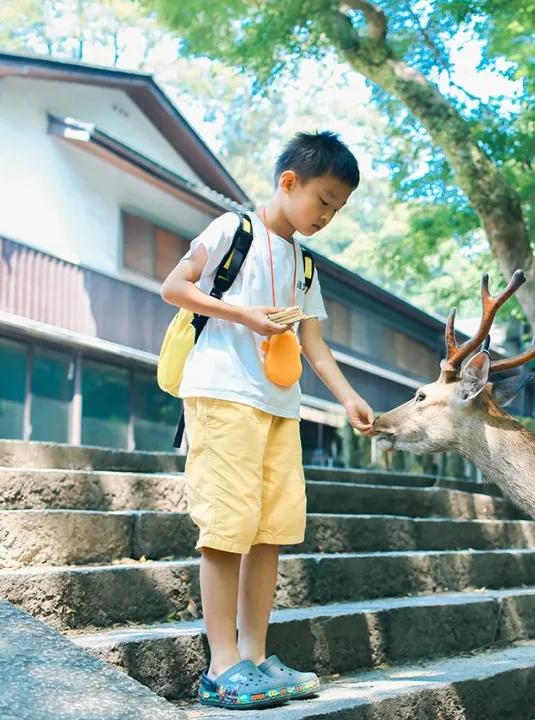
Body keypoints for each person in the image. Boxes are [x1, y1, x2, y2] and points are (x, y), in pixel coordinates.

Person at [160, 131, 375, 709]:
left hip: (282, 407)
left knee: (272, 531)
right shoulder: (233, 231)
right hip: (223, 395)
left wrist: (349, 397)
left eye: (338, 208)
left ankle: (254, 657)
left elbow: (315, 345)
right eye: (324, 200)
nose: (328, 216)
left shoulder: (304, 263)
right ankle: (222, 664)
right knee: (228, 530)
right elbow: (173, 286)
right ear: (289, 183)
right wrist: (244, 315)